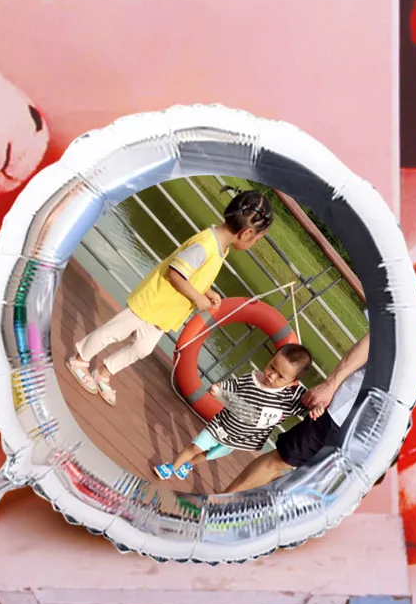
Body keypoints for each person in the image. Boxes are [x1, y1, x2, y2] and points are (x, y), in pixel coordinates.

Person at [66, 188, 274, 407]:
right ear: (247, 233)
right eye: (257, 239)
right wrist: (198, 299)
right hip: (154, 300)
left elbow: (193, 274)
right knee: (113, 332)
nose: (254, 243)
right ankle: (79, 360)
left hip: (165, 312)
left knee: (143, 348)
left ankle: (104, 372)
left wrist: (206, 291)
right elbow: (175, 273)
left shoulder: (221, 247)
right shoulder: (206, 245)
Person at [222, 331, 370, 494]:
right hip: (340, 411)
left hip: (373, 442)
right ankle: (215, 505)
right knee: (282, 459)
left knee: (320, 488)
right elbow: (371, 341)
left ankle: (253, 506)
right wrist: (331, 384)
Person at [154, 344, 312, 481]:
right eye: (272, 367)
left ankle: (189, 464)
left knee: (210, 454)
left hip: (239, 438)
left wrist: (317, 406)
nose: (271, 375)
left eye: (280, 376)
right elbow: (233, 385)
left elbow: (309, 403)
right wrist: (220, 388)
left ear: (292, 383)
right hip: (222, 424)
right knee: (197, 446)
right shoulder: (253, 379)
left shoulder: (288, 399)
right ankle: (173, 466)